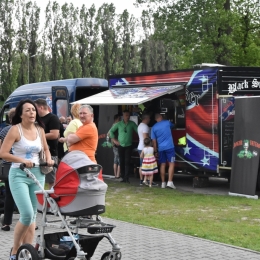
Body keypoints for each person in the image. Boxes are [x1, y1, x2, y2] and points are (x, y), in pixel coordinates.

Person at [0, 99, 53, 260]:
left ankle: (27, 252)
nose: (32, 113)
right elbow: (3, 153)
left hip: (37, 173)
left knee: (32, 217)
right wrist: (21, 160)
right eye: (28, 110)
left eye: (34, 110)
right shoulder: (15, 130)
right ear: (21, 114)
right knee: (27, 213)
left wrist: (49, 159)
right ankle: (15, 250)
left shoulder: (39, 129)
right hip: (19, 174)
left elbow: (45, 148)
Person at [34, 98, 60, 189]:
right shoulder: (37, 119)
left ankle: (52, 197)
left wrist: (37, 136)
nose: (33, 111)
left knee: (51, 180)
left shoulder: (53, 118)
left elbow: (54, 134)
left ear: (41, 107)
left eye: (35, 108)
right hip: (37, 153)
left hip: (50, 153)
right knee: (37, 178)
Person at [109, 110, 138, 183]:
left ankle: (127, 177)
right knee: (121, 161)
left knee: (127, 161)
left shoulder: (132, 124)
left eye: (129, 115)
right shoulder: (119, 124)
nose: (128, 117)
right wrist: (115, 140)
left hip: (128, 145)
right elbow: (110, 132)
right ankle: (123, 177)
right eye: (126, 115)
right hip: (121, 145)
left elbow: (138, 130)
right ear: (123, 116)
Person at [0, 108, 16, 231]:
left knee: (9, 195)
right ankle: (30, 222)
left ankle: (6, 223)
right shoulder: (23, 131)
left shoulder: (4, 130)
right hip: (21, 165)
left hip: (7, 165)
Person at [151, 113, 176, 189]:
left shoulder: (153, 128)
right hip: (170, 147)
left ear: (155, 119)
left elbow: (154, 141)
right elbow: (174, 126)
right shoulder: (167, 122)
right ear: (161, 117)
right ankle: (170, 182)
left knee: (162, 164)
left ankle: (163, 183)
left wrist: (155, 151)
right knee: (171, 164)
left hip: (161, 148)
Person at [137, 113, 150, 185]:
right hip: (144, 147)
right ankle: (147, 180)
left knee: (141, 164)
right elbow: (145, 138)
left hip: (139, 147)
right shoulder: (145, 126)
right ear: (146, 118)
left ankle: (141, 180)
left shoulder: (139, 126)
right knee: (146, 164)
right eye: (149, 118)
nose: (149, 120)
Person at [108, 114, 121, 179]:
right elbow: (109, 133)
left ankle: (115, 174)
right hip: (117, 144)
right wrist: (115, 140)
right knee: (119, 160)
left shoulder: (112, 125)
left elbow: (108, 134)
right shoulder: (116, 125)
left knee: (115, 160)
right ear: (117, 119)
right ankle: (118, 174)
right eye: (119, 119)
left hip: (113, 145)